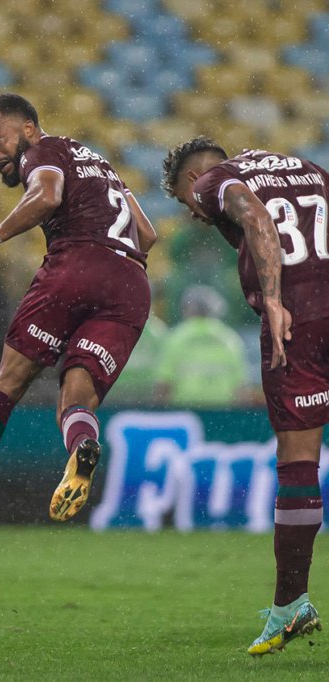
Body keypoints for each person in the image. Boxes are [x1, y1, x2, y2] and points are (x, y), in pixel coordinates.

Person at [0, 93, 157, 551]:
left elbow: (48, 194)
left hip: (77, 264)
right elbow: (147, 233)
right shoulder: (101, 163)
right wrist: (113, 270)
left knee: (8, 383)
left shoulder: (44, 152)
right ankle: (82, 448)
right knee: (76, 399)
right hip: (132, 283)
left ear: (29, 128)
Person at [162, 136, 328, 656]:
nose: (195, 215)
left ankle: (290, 605)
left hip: (298, 322)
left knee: (298, 461)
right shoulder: (308, 169)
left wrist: (275, 301)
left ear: (193, 183)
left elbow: (255, 219)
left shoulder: (217, 181)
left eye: (187, 205)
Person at [155, 285, 250, 407]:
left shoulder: (176, 337)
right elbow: (241, 388)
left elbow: (164, 384)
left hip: (185, 411)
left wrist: (160, 411)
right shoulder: (230, 339)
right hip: (223, 413)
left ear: (186, 310)